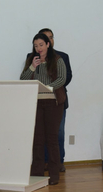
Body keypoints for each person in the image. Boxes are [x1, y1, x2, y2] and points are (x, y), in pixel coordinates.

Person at [20, 33, 67, 185]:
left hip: (53, 103)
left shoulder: (57, 60)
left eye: (41, 45)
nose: (38, 48)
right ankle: (37, 174)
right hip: (36, 103)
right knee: (38, 140)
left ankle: (54, 175)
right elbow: (23, 79)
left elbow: (62, 78)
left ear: (48, 44)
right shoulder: (32, 60)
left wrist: (48, 88)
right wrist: (32, 67)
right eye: (35, 46)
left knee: (52, 139)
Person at [39, 28, 72, 172]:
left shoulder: (62, 57)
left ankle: (58, 162)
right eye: (46, 38)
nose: (50, 40)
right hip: (39, 101)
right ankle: (44, 162)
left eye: (51, 37)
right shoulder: (33, 57)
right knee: (42, 133)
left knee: (58, 133)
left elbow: (67, 77)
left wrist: (50, 86)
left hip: (58, 100)